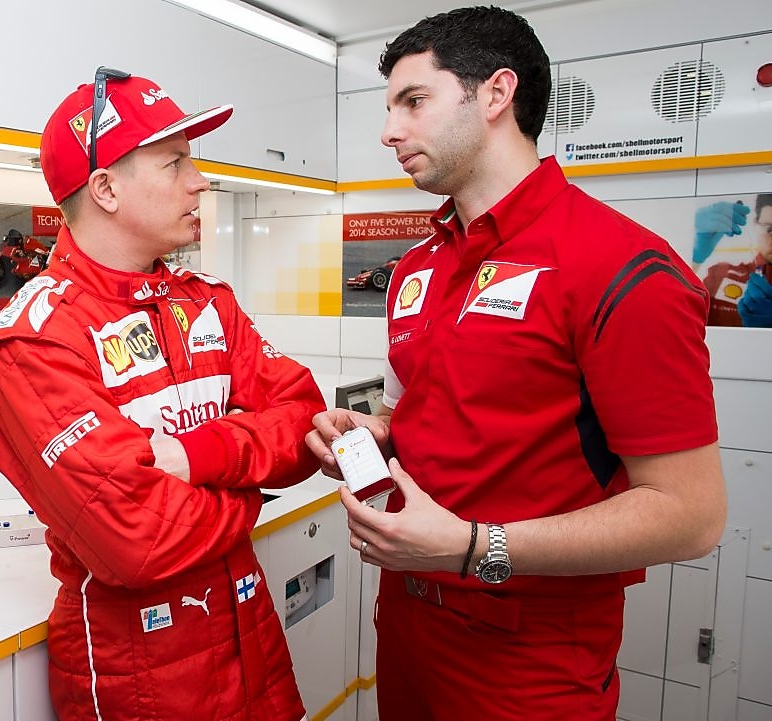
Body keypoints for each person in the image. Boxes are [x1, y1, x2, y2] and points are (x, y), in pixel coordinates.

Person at [304, 7, 726, 720]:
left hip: (528, 657)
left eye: (414, 101)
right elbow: (448, 413)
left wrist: (473, 547)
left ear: (495, 94)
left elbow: (692, 514)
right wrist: (383, 435)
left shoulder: (617, 265)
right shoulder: (420, 266)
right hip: (406, 625)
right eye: (388, 108)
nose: (389, 131)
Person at [0, 68, 326, 721]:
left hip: (257, 658)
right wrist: (250, 487)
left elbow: (306, 422)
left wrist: (198, 458)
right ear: (105, 188)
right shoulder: (35, 341)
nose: (201, 181)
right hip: (143, 686)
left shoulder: (207, 301)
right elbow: (138, 542)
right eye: (176, 162)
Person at [692, 194, 772, 327]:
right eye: (769, 229)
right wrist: (694, 260)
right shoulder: (721, 277)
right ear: (755, 224)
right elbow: (679, 321)